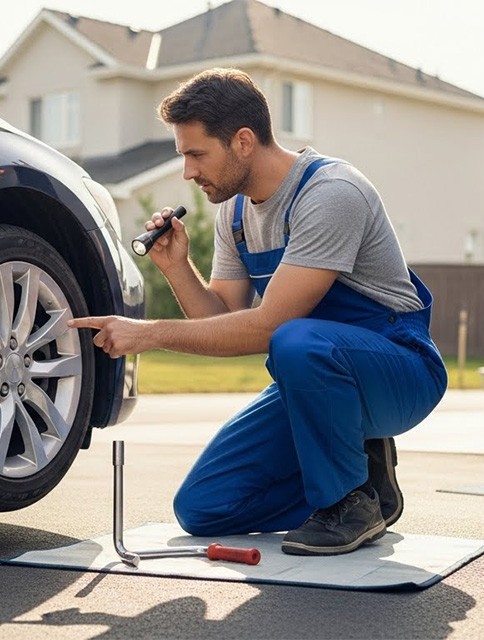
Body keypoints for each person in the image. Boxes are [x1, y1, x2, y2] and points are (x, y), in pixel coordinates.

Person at [68, 68, 447, 556]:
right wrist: (177, 268)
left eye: (196, 154)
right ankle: (366, 487)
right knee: (204, 509)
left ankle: (348, 497)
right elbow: (224, 319)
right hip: (312, 377)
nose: (188, 172)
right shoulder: (237, 213)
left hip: (400, 370)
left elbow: (270, 327)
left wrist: (148, 333)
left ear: (243, 141)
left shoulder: (331, 193)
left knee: (293, 340)